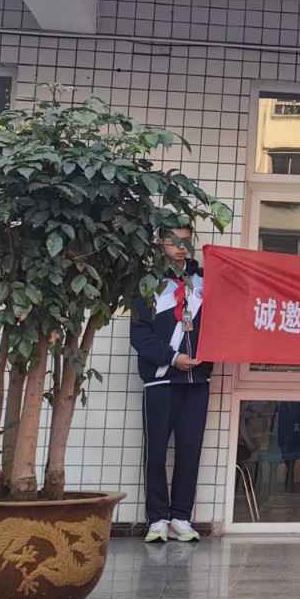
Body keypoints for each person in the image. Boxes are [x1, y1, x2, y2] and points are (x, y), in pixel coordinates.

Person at [130, 226, 211, 543]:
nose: (181, 247)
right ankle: (157, 519)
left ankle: (180, 517)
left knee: (190, 451)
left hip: (197, 381)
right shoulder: (148, 283)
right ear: (159, 242)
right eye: (173, 241)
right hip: (161, 380)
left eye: (186, 240)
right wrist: (172, 357)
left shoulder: (206, 281)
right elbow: (140, 336)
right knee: (156, 451)